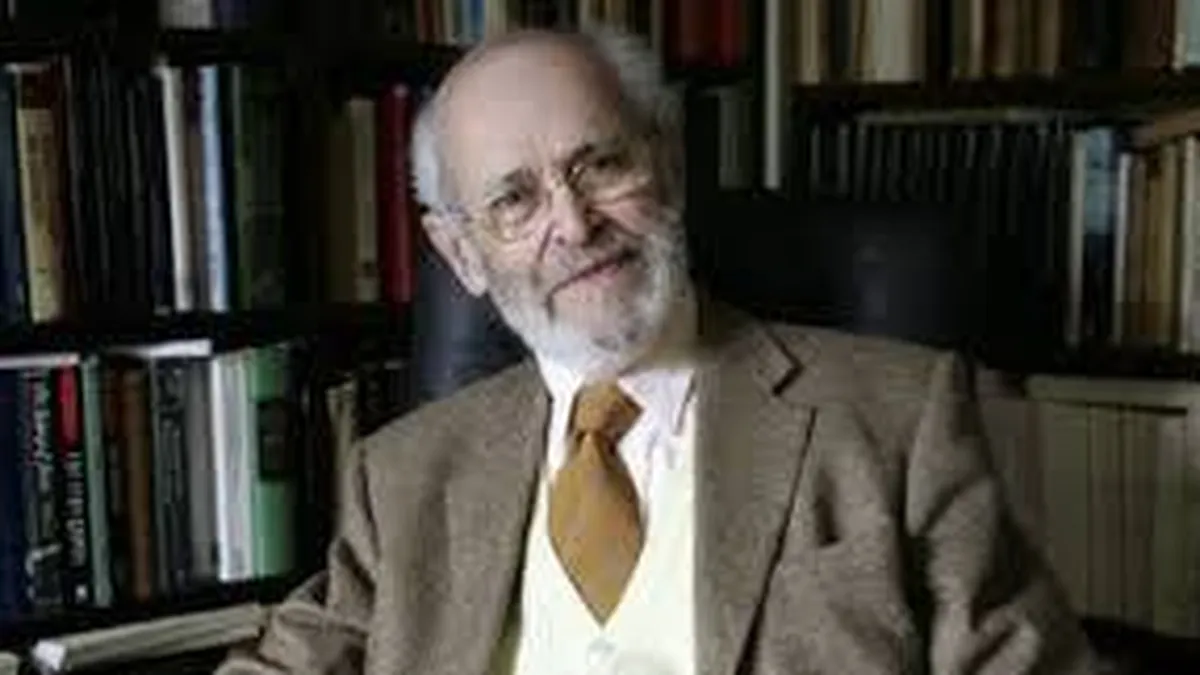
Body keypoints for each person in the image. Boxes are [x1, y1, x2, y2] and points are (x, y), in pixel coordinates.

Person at [217, 26, 1101, 675]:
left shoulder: (897, 418)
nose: (574, 226)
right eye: (515, 201)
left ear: (668, 164)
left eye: (600, 165)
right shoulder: (405, 475)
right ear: (461, 253)